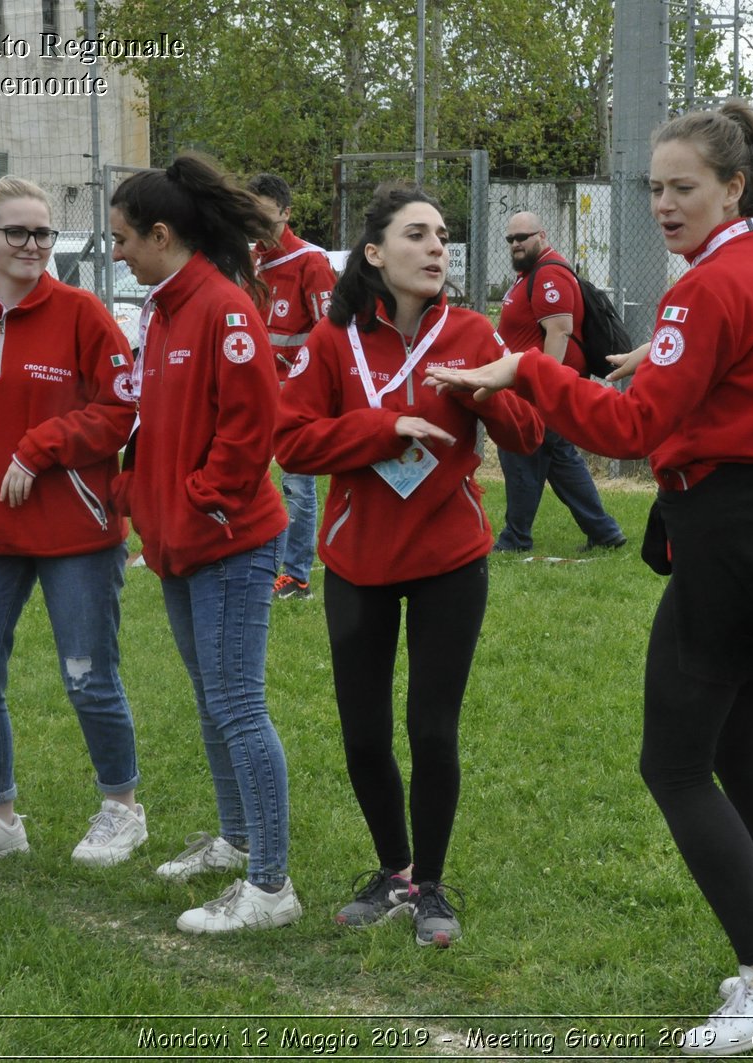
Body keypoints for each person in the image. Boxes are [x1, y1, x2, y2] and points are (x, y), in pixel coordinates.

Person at [428, 102, 753, 1054]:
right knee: (740, 751)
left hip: (733, 539)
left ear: (734, 186)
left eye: (684, 187)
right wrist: (664, 365)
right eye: (654, 188)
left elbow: (632, 431)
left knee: (676, 763)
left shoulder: (709, 286)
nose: (665, 204)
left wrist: (523, 370)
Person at [273, 183, 543, 948]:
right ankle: (392, 868)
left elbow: (528, 437)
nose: (436, 248)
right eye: (417, 234)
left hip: (448, 559)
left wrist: (484, 394)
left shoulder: (473, 331)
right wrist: (383, 426)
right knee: (363, 734)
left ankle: (429, 882)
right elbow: (291, 441)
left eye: (443, 235)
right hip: (358, 559)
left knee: (431, 727)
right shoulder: (335, 341)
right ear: (374, 253)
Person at [0, 177, 146, 871]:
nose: (32, 245)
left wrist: (39, 446)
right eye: (16, 231)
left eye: (43, 232)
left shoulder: (83, 314)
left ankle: (121, 808)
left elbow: (120, 409)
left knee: (88, 675)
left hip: (74, 532)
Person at [109, 154, 297, 934]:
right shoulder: (164, 309)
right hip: (180, 541)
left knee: (239, 705)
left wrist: (197, 505)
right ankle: (235, 838)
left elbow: (252, 430)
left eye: (122, 238)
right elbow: (154, 427)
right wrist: (140, 503)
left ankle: (271, 886)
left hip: (226, 541)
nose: (115, 250)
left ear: (161, 233)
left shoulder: (223, 308)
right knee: (211, 700)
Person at [491, 211, 625, 553]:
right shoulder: (530, 273)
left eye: (523, 237)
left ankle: (515, 539)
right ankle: (605, 533)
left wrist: (542, 385)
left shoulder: (549, 273)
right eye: (511, 239)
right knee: (560, 460)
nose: (516, 244)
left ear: (543, 235)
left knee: (520, 449)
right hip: (531, 384)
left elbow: (560, 331)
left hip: (537, 388)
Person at [248, 172, 338, 600]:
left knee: (298, 486)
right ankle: (251, 562)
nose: (258, 225)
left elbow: (332, 334)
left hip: (295, 397)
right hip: (252, 393)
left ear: (286, 213)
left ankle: (298, 575)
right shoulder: (249, 260)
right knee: (246, 475)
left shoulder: (311, 263)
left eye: (266, 215)